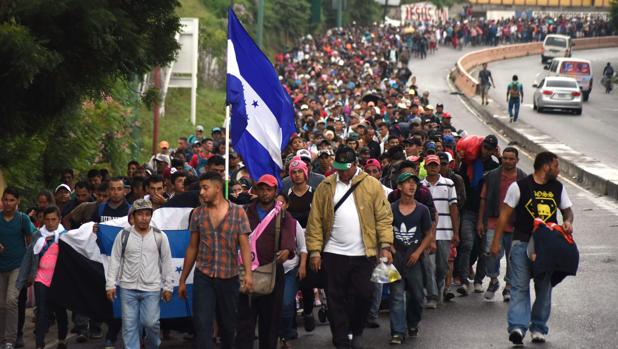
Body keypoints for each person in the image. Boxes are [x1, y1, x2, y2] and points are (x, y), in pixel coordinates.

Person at [306, 146, 393, 349]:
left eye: (345, 168)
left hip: (364, 253)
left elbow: (383, 217)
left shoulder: (372, 185)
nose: (341, 172)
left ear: (355, 165)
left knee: (365, 294)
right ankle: (341, 339)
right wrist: (315, 251)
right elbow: (315, 221)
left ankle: (357, 329)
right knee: (336, 298)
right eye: (338, 168)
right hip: (333, 253)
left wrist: (386, 245)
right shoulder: (326, 186)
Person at [490, 151, 574, 346]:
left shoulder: (558, 188)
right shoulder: (519, 186)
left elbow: (567, 211)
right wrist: (495, 242)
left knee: (544, 287)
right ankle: (517, 328)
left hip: (547, 247)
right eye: (556, 166)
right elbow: (504, 216)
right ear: (546, 166)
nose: (558, 170)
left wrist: (568, 222)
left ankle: (538, 327)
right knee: (519, 286)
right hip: (521, 242)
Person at [178, 172, 253, 349]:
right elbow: (192, 248)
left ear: (217, 188)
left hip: (229, 276)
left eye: (205, 188)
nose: (201, 192)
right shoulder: (197, 214)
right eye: (201, 188)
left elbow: (244, 246)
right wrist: (182, 279)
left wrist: (248, 275)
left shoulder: (238, 212)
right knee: (202, 325)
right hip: (204, 276)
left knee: (228, 327)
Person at [236, 174, 297, 349]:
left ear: (275, 191)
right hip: (246, 271)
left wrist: (287, 249)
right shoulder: (245, 211)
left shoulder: (283, 214)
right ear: (256, 190)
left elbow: (288, 235)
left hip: (272, 272)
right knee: (244, 322)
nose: (264, 192)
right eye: (261, 188)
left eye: (268, 189)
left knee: (270, 323)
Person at [105, 199, 174, 349]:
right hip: (127, 288)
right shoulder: (123, 235)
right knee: (129, 327)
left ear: (151, 216)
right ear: (133, 216)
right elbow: (114, 261)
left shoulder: (160, 236)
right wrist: (110, 285)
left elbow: (167, 262)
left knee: (151, 323)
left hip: (152, 289)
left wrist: (168, 287)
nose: (144, 218)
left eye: (147, 214)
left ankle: (152, 345)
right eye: (140, 214)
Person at [388, 173, 433, 345]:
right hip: (395, 260)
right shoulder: (390, 208)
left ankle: (413, 322)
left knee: (417, 295)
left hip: (415, 260)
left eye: (414, 183)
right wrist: (389, 248)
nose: (411, 186)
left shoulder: (423, 210)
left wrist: (418, 252)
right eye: (407, 183)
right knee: (397, 296)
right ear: (399, 187)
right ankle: (397, 331)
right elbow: (384, 229)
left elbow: (428, 234)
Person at [478, 147, 526, 302]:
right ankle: (493, 280)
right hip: (494, 221)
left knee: (514, 257)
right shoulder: (491, 176)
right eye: (505, 158)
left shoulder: (523, 179)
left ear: (517, 160)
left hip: (515, 224)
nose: (508, 161)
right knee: (491, 253)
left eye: (511, 159)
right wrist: (480, 221)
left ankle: (509, 286)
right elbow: (483, 199)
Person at [16, 206, 69, 349]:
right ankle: (39, 344)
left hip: (59, 280)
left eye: (54, 219)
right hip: (41, 277)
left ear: (59, 219)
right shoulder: (37, 235)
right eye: (47, 219)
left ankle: (62, 339)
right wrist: (22, 279)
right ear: (43, 220)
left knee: (60, 310)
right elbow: (28, 257)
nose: (51, 223)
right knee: (42, 311)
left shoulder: (66, 236)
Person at [456, 135, 500, 295]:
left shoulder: (495, 167)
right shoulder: (469, 163)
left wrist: (500, 158)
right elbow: (459, 180)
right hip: (469, 210)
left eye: (490, 149)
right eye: (485, 148)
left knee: (484, 249)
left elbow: (505, 178)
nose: (486, 151)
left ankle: (479, 280)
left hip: (487, 214)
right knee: (467, 244)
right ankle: (463, 280)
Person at [421, 155, 459, 306]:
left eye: (435, 165)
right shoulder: (420, 186)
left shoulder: (449, 184)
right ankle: (432, 295)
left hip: (445, 231)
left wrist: (456, 232)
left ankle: (438, 287)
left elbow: (454, 208)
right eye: (430, 165)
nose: (433, 167)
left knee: (443, 266)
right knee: (430, 266)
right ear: (425, 167)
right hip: (428, 233)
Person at [0, 187, 35, 349]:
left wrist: (30, 270)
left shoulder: (23, 219)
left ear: (18, 201)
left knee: (11, 300)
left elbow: (31, 245)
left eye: (11, 200)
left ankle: (10, 339)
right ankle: (2, 337)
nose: (7, 203)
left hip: (18, 266)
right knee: (1, 304)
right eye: (5, 199)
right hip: (1, 267)